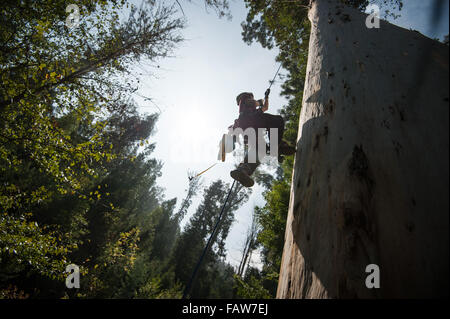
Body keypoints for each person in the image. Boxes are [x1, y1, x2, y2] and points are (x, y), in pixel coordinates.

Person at [230, 90, 296, 187]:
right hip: (253, 119)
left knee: (261, 149)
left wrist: (266, 97)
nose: (252, 99)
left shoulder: (244, 113)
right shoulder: (244, 99)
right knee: (277, 120)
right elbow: (256, 103)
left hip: (250, 132)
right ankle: (277, 146)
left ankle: (244, 171)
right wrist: (260, 101)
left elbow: (265, 107)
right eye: (251, 97)